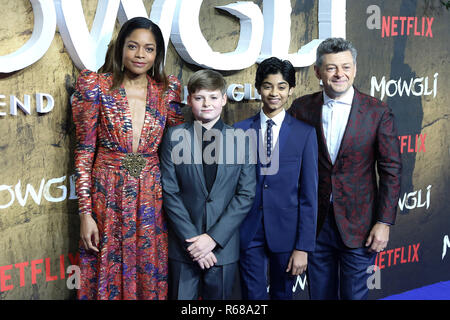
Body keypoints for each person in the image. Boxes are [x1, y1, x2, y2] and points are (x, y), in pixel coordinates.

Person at [71, 17, 184, 300]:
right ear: (121, 48)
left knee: (148, 272)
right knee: (104, 267)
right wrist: (85, 214)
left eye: (149, 49)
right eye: (133, 47)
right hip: (106, 195)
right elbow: (84, 154)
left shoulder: (165, 91)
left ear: (157, 54)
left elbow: (178, 149)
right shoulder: (96, 87)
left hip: (151, 197)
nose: (140, 55)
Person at [288, 37, 402, 300]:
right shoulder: (302, 108)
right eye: (331, 68)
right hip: (315, 225)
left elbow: (391, 170)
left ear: (355, 68)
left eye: (346, 67)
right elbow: (291, 168)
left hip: (360, 224)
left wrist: (384, 222)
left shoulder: (377, 112)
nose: (340, 74)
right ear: (317, 71)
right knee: (320, 295)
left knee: (354, 296)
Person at [159, 69, 256, 300]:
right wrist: (194, 241)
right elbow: (169, 193)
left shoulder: (241, 140)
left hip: (222, 248)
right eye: (199, 97)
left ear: (223, 100)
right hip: (185, 248)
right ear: (189, 99)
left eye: (213, 97)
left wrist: (212, 239)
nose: (206, 104)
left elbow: (246, 195)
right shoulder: (173, 137)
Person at [234, 57, 318, 300]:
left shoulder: (305, 134)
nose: (274, 93)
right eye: (268, 86)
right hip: (248, 231)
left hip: (287, 233)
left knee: (283, 294)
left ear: (291, 90)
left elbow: (309, 196)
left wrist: (303, 247)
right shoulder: (239, 131)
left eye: (281, 86)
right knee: (253, 295)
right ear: (259, 88)